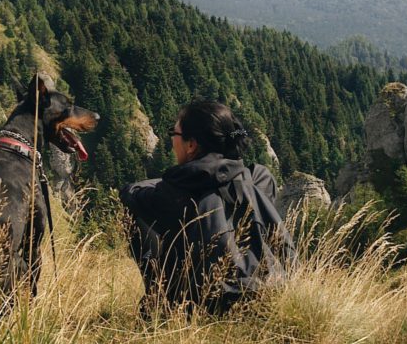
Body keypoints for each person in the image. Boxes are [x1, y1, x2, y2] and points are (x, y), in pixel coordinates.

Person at [119, 99, 296, 314]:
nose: (172, 140)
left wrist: (163, 182)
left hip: (199, 304)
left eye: (173, 134)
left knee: (134, 208)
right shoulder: (255, 179)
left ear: (191, 145)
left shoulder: (175, 192)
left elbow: (131, 193)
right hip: (263, 290)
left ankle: (158, 297)